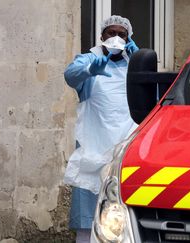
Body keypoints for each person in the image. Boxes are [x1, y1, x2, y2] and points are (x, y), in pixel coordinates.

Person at [63, 15, 139, 243]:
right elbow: (70, 75)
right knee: (88, 215)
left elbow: (155, 98)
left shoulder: (135, 63)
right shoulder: (89, 59)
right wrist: (89, 70)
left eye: (122, 34)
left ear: (129, 38)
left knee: (123, 216)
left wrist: (141, 65)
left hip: (124, 151)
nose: (116, 38)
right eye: (110, 33)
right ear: (101, 36)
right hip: (93, 150)